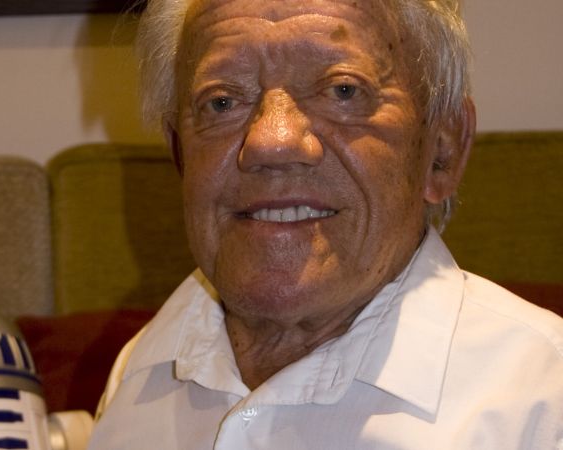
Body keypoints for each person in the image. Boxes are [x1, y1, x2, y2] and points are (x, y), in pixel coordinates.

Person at [87, 0, 563, 448]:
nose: (272, 142)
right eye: (222, 102)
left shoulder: (542, 399)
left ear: (442, 151)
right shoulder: (141, 373)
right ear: (180, 154)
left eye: (342, 91)